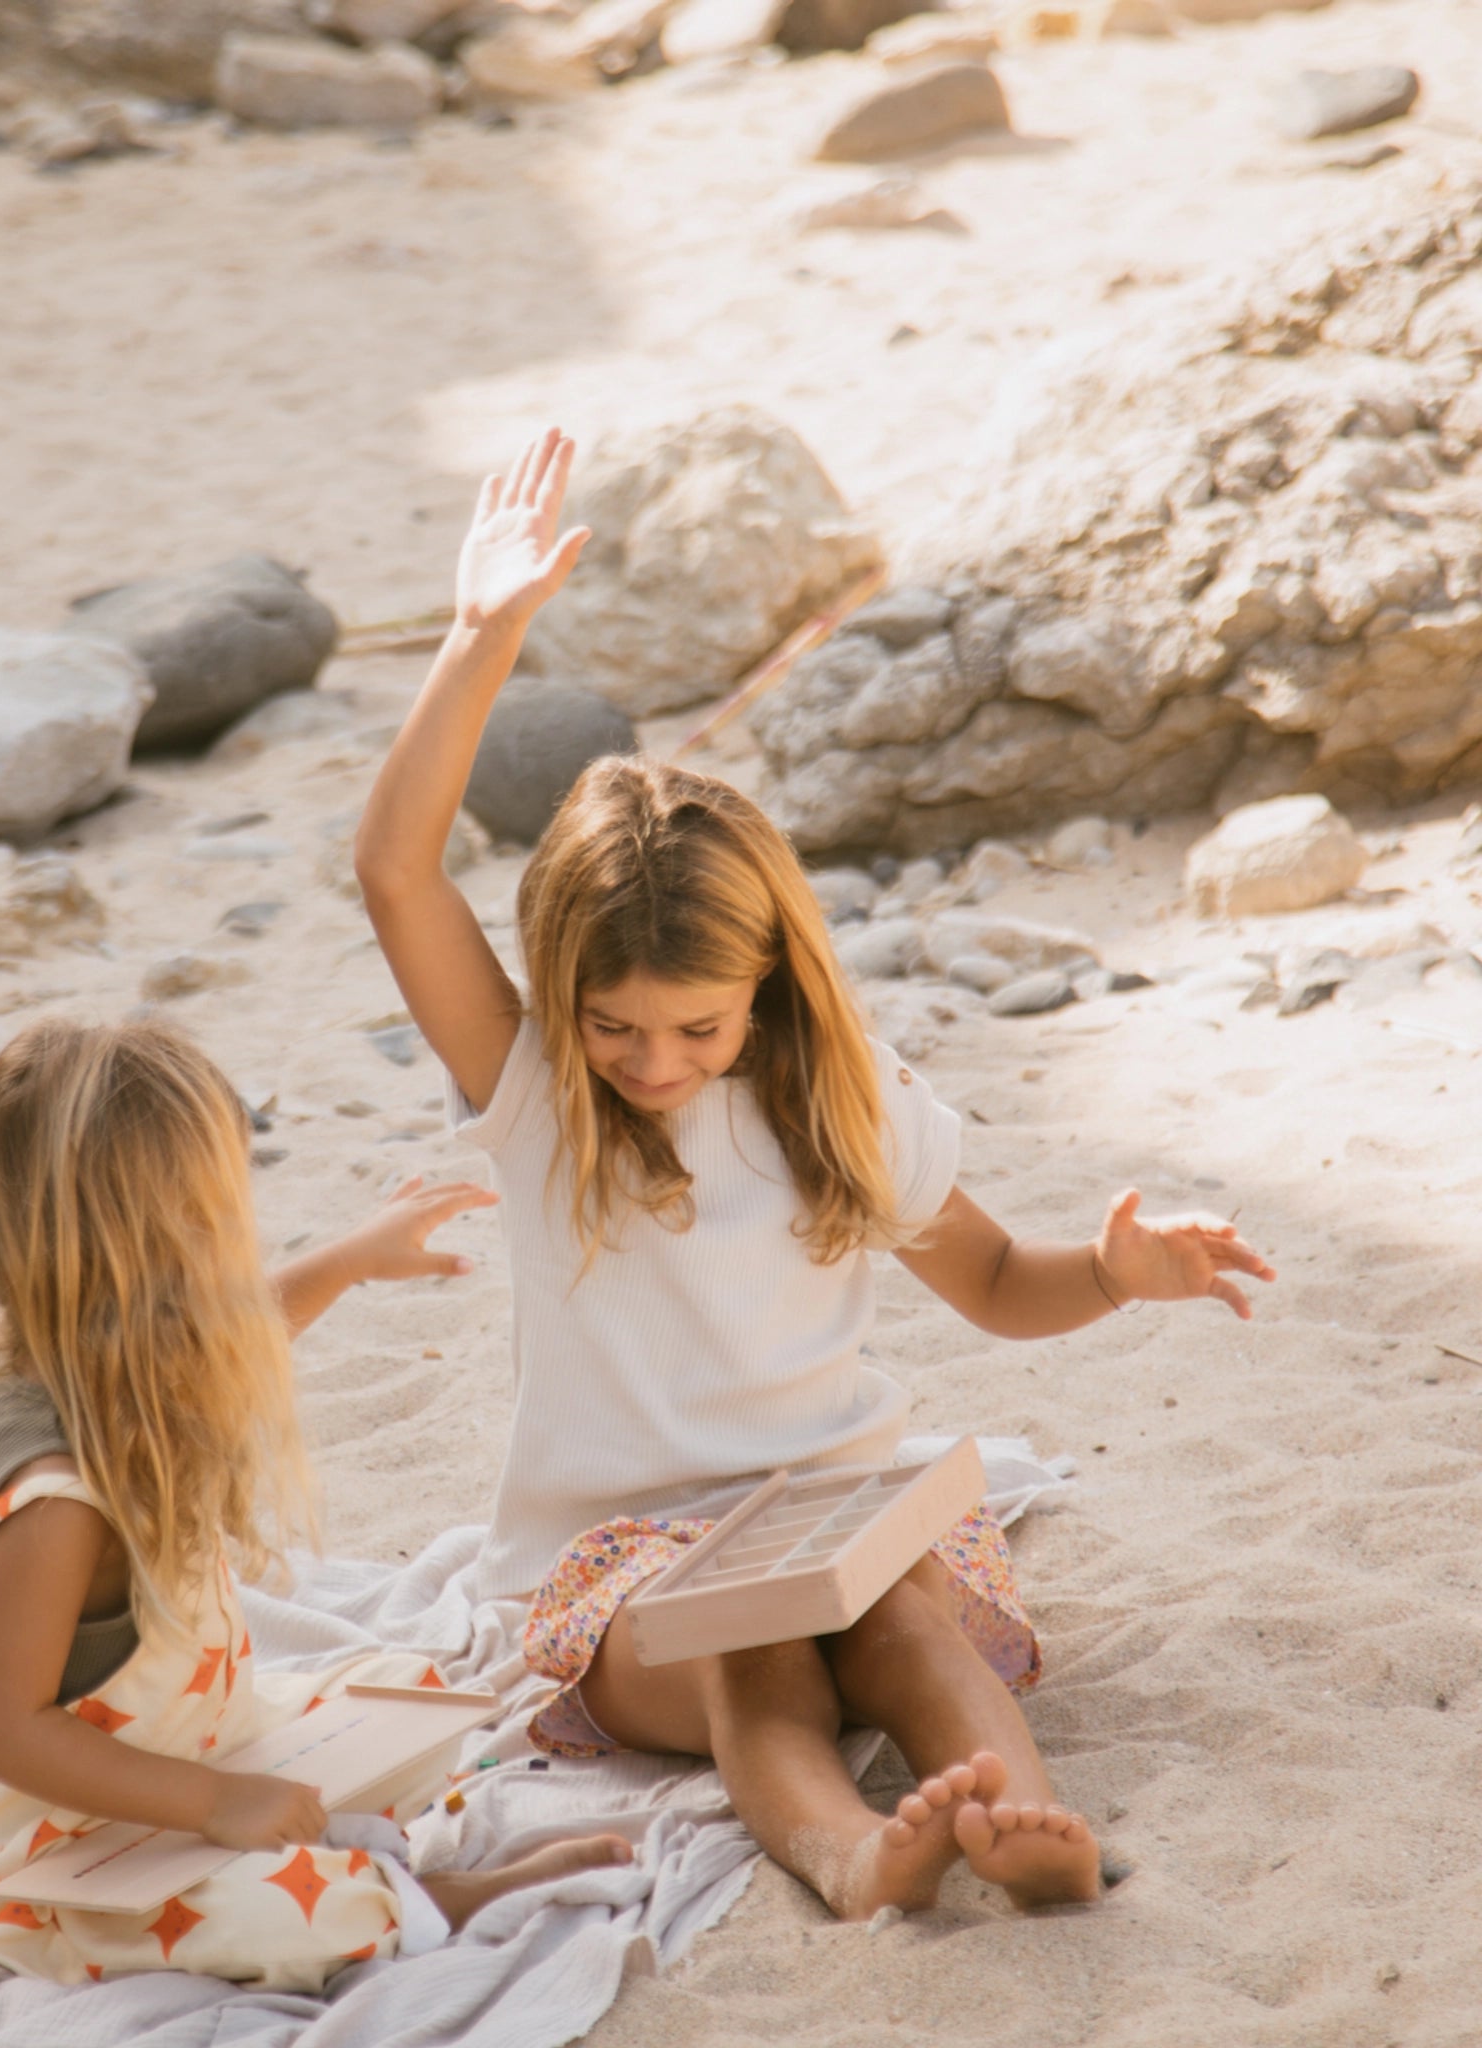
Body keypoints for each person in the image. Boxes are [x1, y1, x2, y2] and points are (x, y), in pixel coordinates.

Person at [353, 427, 1276, 1921]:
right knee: (752, 1652)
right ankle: (858, 1856)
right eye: (615, 1027)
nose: (652, 1064)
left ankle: (1022, 1819)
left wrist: (1113, 1271)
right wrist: (480, 635)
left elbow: (985, 1279)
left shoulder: (837, 1107)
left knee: (909, 1617)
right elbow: (397, 871)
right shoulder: (536, 1096)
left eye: (695, 1028)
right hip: (627, 1577)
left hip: (832, 1510)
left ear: (769, 985)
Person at [0, 1017, 630, 1990]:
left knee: (417, 1695)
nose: (235, 1231)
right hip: (46, 1853)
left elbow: (238, 1330)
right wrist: (211, 1802)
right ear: (138, 1255)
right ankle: (438, 1898)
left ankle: (319, 1838)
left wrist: (354, 1256)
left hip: (187, 1751)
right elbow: (4, 1729)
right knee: (276, 1908)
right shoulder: (54, 1503)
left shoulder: (114, 1356)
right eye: (213, 1214)